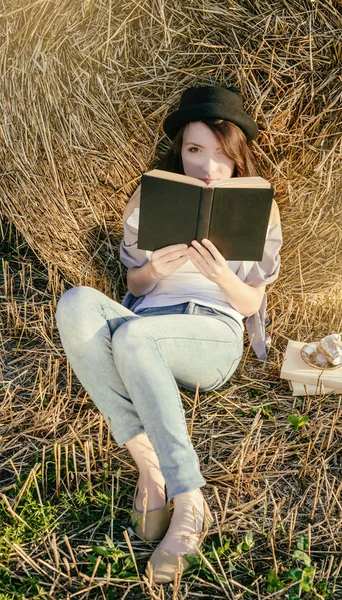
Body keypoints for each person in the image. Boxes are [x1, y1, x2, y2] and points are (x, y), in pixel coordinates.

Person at [55, 85, 282, 583]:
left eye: (222, 155)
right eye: (195, 150)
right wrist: (153, 270)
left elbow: (252, 303)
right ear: (180, 149)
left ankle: (190, 500)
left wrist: (222, 276)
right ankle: (150, 468)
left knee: (135, 338)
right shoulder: (151, 193)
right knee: (74, 303)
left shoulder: (258, 203)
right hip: (150, 318)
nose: (207, 168)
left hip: (211, 333)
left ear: (237, 155)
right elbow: (134, 283)